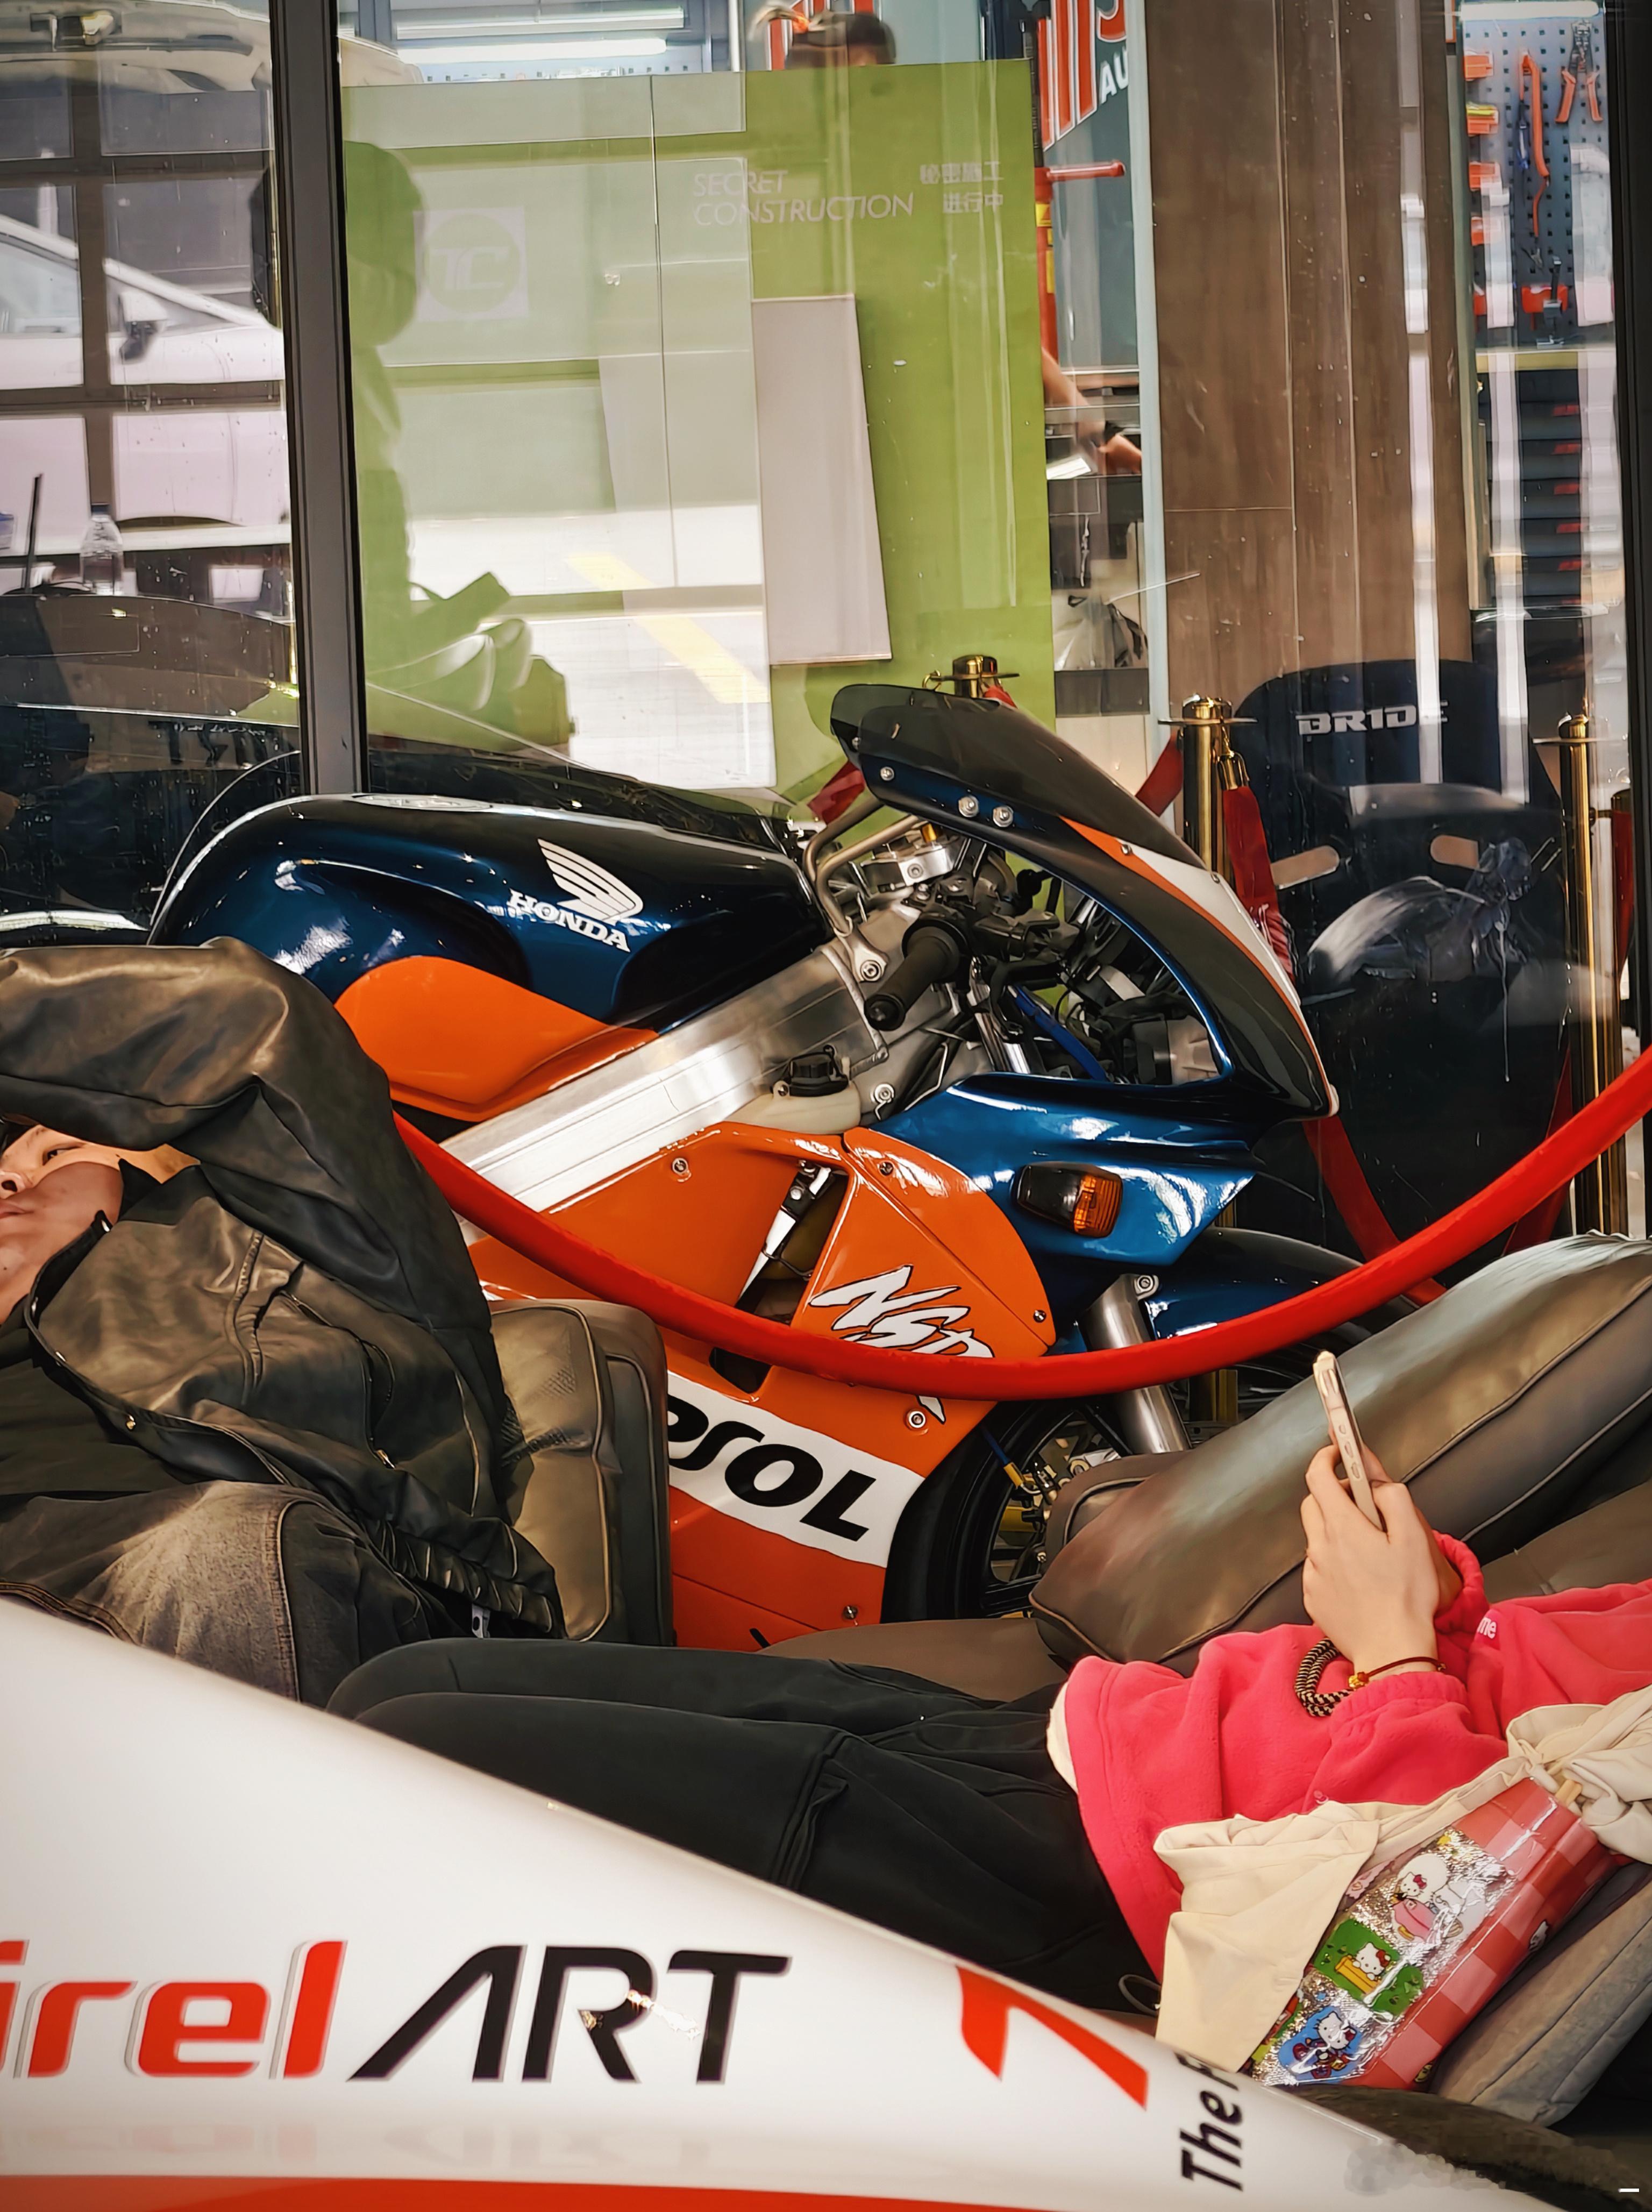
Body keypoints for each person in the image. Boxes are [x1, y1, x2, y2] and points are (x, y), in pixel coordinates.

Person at [334, 1449, 1652, 2011]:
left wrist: (1394, 1645)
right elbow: (1519, 1669)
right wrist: (1423, 1588)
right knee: (399, 1685)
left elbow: (1444, 1918)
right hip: (1083, 1735)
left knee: (406, 1758)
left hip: (1104, 1877)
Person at [0, 938, 562, 1705]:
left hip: (161, 1565)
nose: (11, 1175)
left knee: (220, 1562)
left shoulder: (300, 1241)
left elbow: (253, 1024)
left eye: (58, 1148)